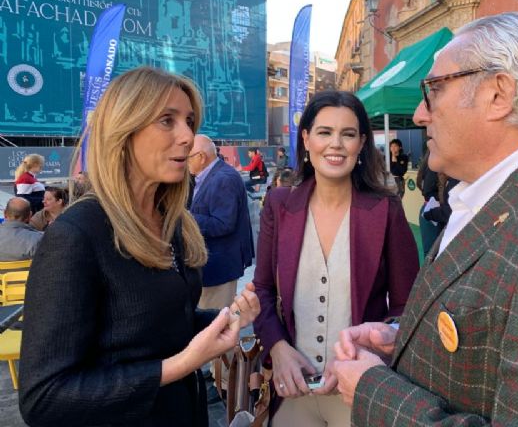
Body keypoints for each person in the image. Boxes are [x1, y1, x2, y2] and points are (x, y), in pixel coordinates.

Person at [331, 12, 518, 426]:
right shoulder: (500, 192)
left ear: (498, 95)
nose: (421, 114)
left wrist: (373, 391)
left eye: (434, 90)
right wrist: (403, 338)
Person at [19, 66, 260, 427]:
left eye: (189, 121)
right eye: (167, 120)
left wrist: (229, 321)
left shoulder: (172, 223)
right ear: (123, 131)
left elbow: (158, 324)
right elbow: (44, 398)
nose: (187, 136)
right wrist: (181, 364)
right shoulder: (77, 235)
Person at [253, 90, 420, 427]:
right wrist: (278, 347)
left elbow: (407, 309)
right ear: (306, 138)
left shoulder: (385, 210)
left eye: (348, 134)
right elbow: (263, 290)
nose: (336, 144)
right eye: (325, 132)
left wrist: (368, 355)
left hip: (358, 395)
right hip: (293, 392)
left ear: (361, 144)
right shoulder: (279, 204)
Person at [188, 134, 254, 402]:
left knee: (222, 325)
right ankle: (215, 373)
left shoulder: (223, 178)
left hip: (221, 264)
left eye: (187, 156)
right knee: (213, 323)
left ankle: (226, 383)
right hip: (211, 264)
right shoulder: (210, 176)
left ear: (200, 157)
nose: (184, 162)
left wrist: (186, 218)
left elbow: (223, 223)